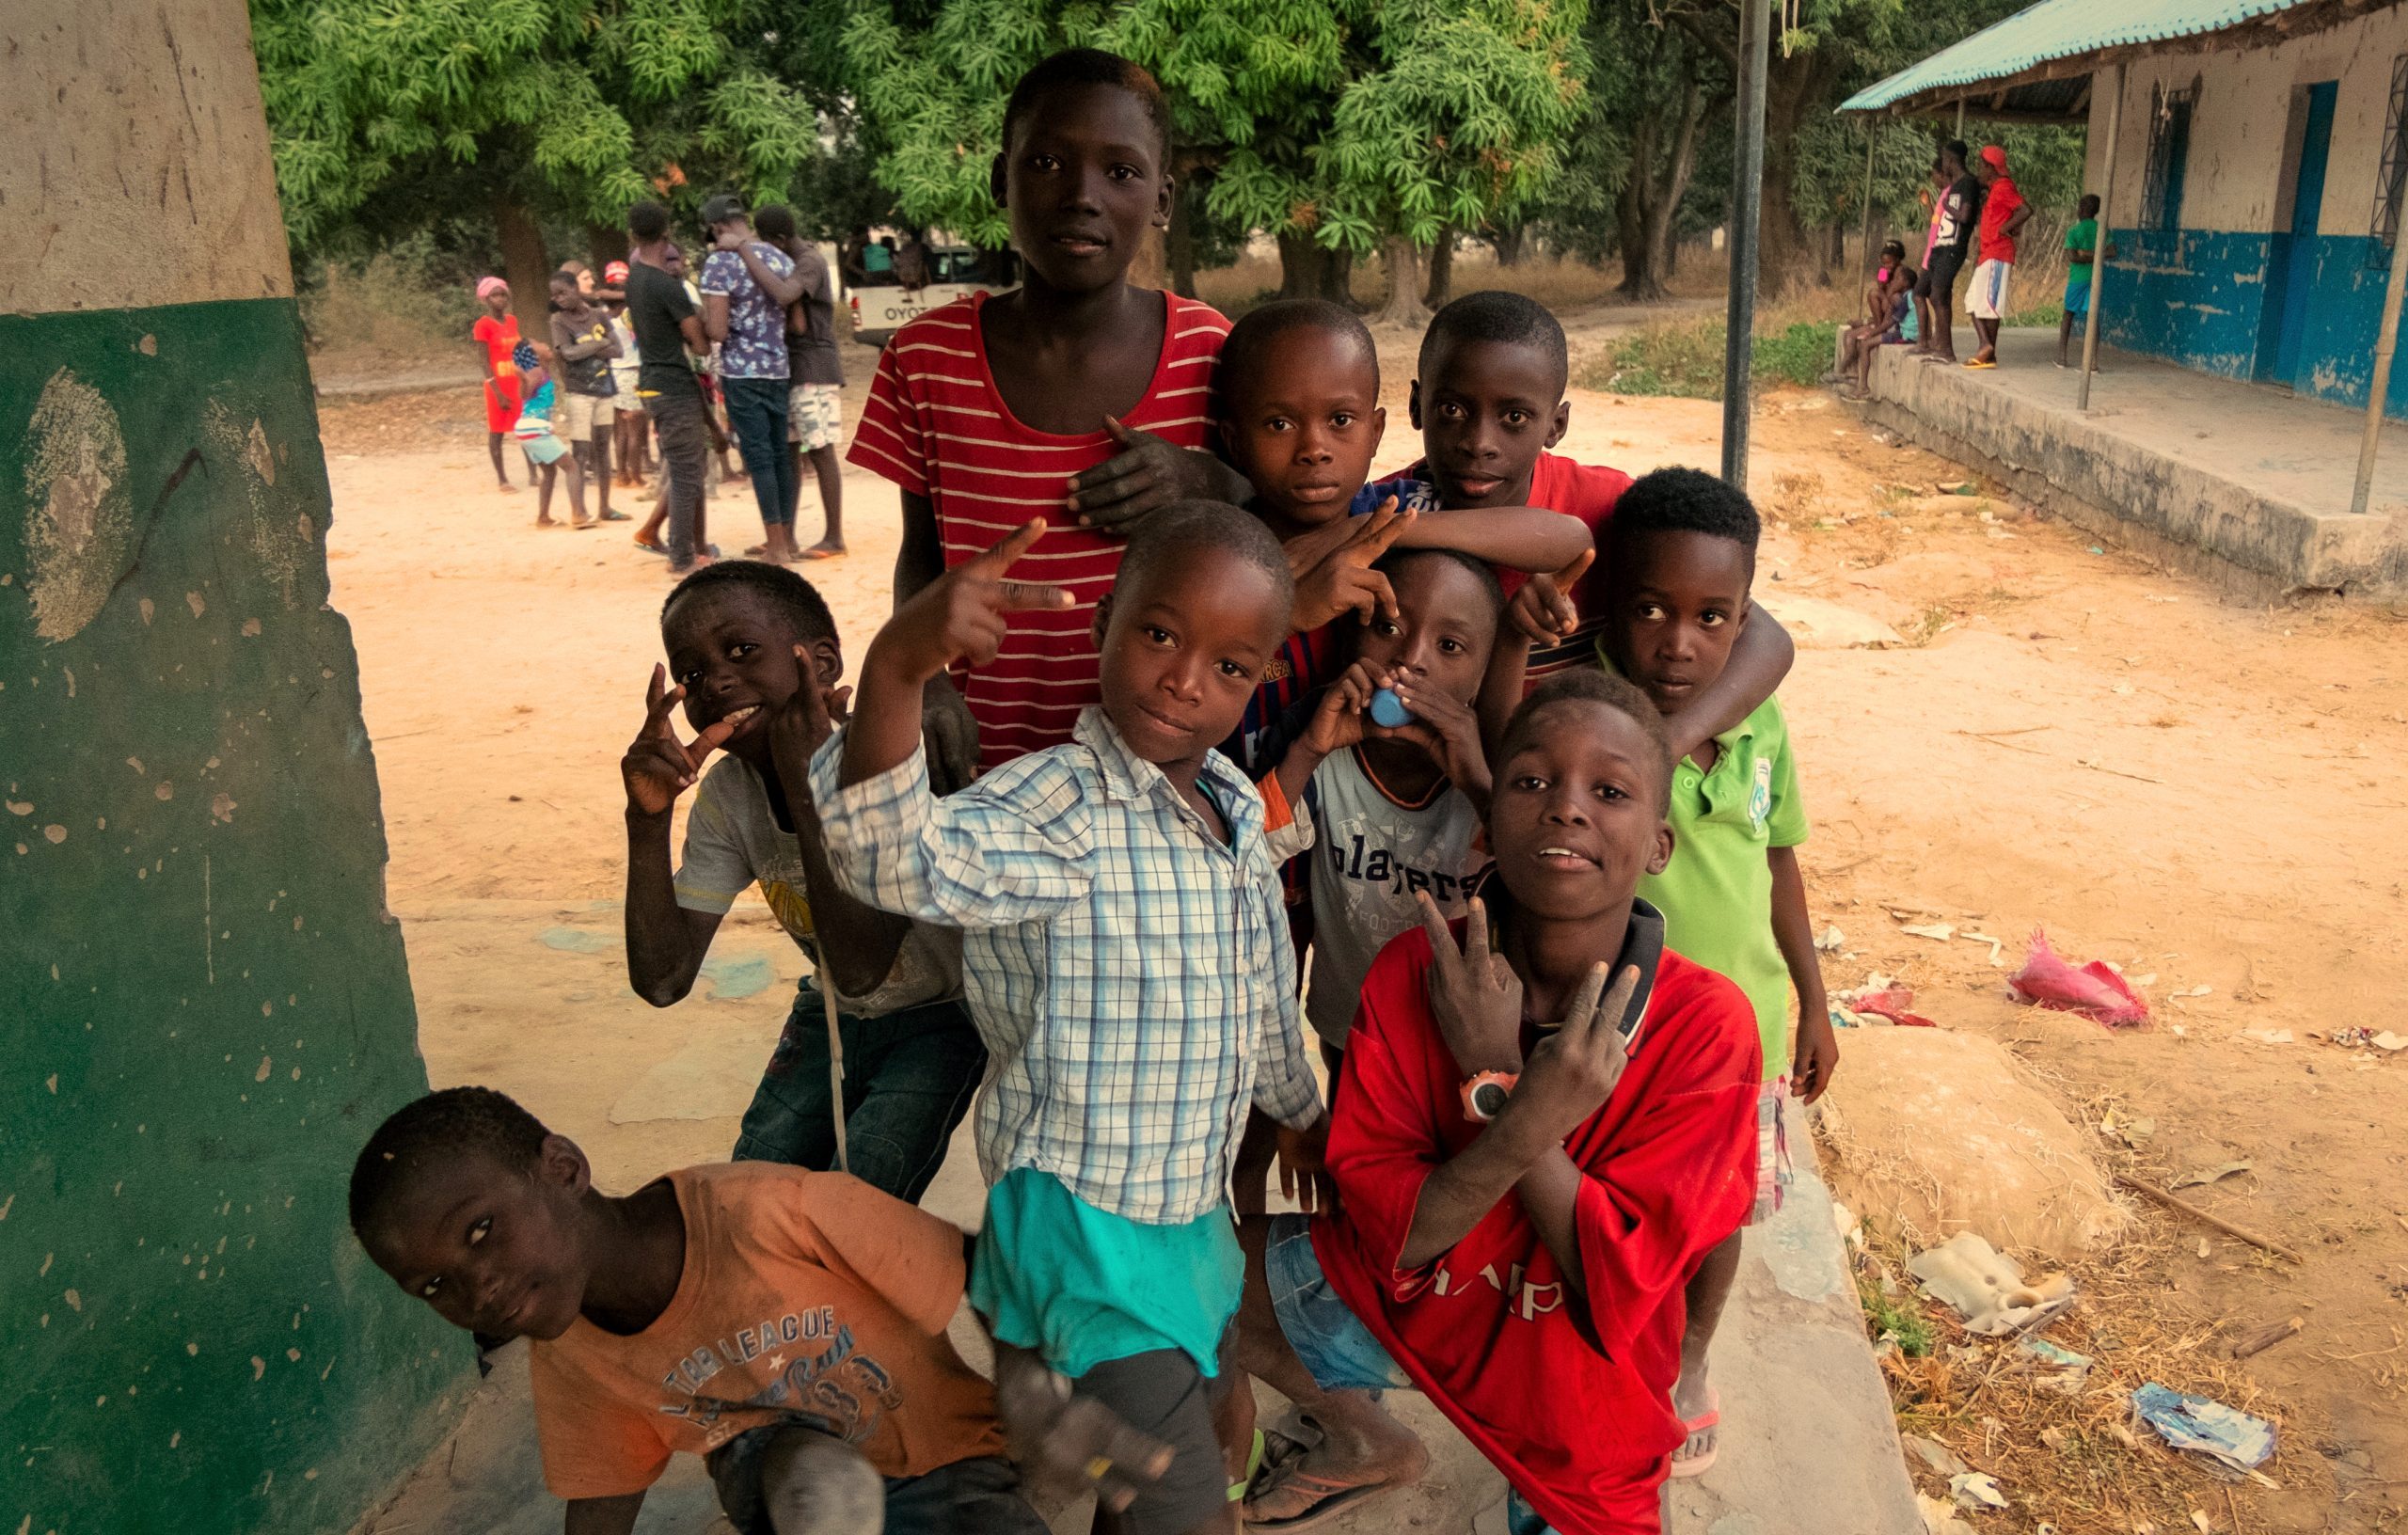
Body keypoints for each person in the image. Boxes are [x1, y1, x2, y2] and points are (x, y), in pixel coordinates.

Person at [810, 504, 1332, 1535]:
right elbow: (890, 860)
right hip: (1080, 1214)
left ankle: (1044, 1390)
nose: (1186, 680)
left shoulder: (1229, 802)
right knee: (1178, 1494)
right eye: (1159, 635)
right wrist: (897, 667)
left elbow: (1261, 983)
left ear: (1261, 678)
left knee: (1186, 1421)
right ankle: (1034, 1374)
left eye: (1230, 666)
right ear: (1104, 624)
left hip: (1183, 1212)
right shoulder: (1058, 808)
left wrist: (1298, 1107)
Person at [1231, 671, 1762, 1535]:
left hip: (1582, 1397)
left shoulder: (1706, 1026)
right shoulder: (1416, 970)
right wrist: (1511, 1092)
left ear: (1659, 844)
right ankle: (1365, 1442)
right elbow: (1394, 1238)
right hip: (1412, 1311)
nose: (1567, 808)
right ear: (1486, 822)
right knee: (1177, 1283)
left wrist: (1492, 1075)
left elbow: (1607, 1291)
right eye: (1532, 782)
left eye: (1612, 790)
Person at [346, 1086, 1119, 1535]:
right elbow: (602, 1495)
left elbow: (978, 1264)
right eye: (434, 1288)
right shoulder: (573, 1356)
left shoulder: (773, 1211)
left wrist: (1027, 1378)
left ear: (564, 1169)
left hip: (949, 1457)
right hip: (786, 1497)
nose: (476, 1291)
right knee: (791, 1462)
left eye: (482, 1232)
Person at [848, 48, 1253, 787]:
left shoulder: (1213, 353)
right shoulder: (925, 358)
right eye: (1046, 164)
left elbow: (1268, 523)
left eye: (1121, 172)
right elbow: (922, 552)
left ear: (1162, 200)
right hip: (983, 768)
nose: (1082, 196)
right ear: (1002, 179)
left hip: (1154, 774)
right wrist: (929, 680)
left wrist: (1200, 479)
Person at [1590, 468, 1834, 1480]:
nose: (1678, 642)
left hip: (1744, 1041)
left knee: (1719, 1214)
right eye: (1650, 609)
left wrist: (1814, 1003)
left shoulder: (1757, 722)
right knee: (1614, 1206)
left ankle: (1690, 1365)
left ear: (1744, 618)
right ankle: (1602, 1353)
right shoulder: (1587, 717)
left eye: (1710, 617)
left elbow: (1779, 864)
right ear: (1609, 601)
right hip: (1622, 1034)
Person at [620, 561, 985, 1204]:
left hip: (943, 1019)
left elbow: (861, 966)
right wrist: (646, 823)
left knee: (857, 1205)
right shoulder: (729, 797)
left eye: (741, 650)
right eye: (691, 674)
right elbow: (663, 980)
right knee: (749, 1198)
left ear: (821, 664)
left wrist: (808, 783)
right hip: (832, 1015)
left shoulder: (885, 763)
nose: (716, 682)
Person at [1358, 292, 1795, 762]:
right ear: (1417, 406)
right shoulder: (1375, 511)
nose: (1479, 443)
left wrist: (1669, 743)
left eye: (1515, 418)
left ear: (1556, 423)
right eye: (1453, 411)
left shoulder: (1604, 506)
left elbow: (1766, 639)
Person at [1213, 297, 1591, 776]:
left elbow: (1568, 540)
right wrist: (1289, 613)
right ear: (1233, 441)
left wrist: (1363, 534)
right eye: (1280, 424)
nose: (1314, 450)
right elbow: (1192, 673)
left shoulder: (1395, 510)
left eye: (1341, 421)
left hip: (1392, 809)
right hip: (1253, 804)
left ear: (1375, 432)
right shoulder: (1220, 552)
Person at [1259, 547, 1503, 1074]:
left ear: (1482, 679)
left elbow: (1533, 879)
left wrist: (1480, 786)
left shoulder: (1500, 771)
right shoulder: (1323, 752)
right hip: (1352, 1031)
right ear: (1351, 642)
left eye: (1449, 646)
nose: (1411, 659)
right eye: (1388, 628)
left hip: (1462, 1045)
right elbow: (1246, 853)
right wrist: (1307, 751)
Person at [699, 194, 803, 563]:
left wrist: (697, 319)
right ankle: (788, 539)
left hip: (741, 372)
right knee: (780, 455)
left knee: (758, 458)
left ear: (716, 228)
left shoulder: (719, 264)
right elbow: (794, 318)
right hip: (778, 367)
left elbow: (718, 330)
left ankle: (775, 545)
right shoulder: (778, 257)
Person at [754, 206, 850, 561]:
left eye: (765, 244)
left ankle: (834, 537)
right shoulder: (795, 260)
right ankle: (786, 535)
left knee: (821, 449)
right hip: (794, 367)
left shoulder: (808, 262)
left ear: (778, 239)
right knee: (790, 452)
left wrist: (748, 255)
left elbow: (784, 296)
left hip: (815, 367)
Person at [625, 202, 713, 575]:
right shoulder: (668, 286)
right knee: (686, 473)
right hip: (674, 385)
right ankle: (682, 557)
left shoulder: (634, 280)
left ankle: (688, 550)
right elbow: (700, 344)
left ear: (632, 235)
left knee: (681, 469)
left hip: (652, 384)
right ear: (667, 232)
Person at [548, 269, 626, 523]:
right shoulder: (558, 321)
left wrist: (588, 349)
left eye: (563, 292)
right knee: (580, 451)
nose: (559, 298)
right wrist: (599, 344)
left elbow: (619, 350)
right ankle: (578, 511)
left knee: (603, 449)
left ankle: (605, 507)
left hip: (604, 389)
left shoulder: (598, 315)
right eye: (555, 294)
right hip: (579, 391)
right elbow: (568, 354)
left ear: (576, 289)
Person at [511, 340, 594, 530]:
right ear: (533, 354)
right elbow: (525, 394)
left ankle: (543, 517)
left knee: (549, 472)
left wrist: (523, 378)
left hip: (527, 428)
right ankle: (579, 514)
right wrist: (523, 379)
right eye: (537, 344)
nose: (544, 343)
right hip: (535, 427)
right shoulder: (537, 372)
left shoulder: (541, 370)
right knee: (572, 467)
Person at [1964, 145, 2028, 370]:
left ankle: (1986, 348)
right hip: (1990, 252)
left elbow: (2025, 210)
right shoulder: (1997, 189)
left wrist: (2005, 229)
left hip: (1997, 252)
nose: (1979, 170)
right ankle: (1988, 350)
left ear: (1991, 168)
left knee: (1987, 305)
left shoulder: (2003, 187)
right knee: (1974, 301)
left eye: (1981, 166)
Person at [1922, 140, 1983, 366]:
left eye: (1945, 159)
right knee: (1937, 294)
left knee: (1938, 295)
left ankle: (1946, 350)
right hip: (1941, 245)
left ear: (1951, 160)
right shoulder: (1956, 184)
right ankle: (1941, 346)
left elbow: (1965, 216)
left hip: (1953, 247)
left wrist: (1947, 207)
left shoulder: (1967, 183)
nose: (1943, 164)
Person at [472, 277, 529, 494]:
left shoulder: (512, 321)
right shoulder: (483, 325)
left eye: (503, 294)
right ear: (486, 298)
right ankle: (502, 479)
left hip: (517, 383)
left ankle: (533, 473)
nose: (500, 299)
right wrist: (497, 391)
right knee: (497, 432)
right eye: (495, 295)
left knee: (525, 429)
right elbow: (484, 361)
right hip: (498, 386)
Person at [602, 260, 653, 489]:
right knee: (636, 429)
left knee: (620, 431)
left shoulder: (602, 315)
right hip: (632, 374)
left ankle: (621, 474)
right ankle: (636, 475)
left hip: (612, 373)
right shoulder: (631, 314)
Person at [1909, 157, 1947, 357]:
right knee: (1934, 298)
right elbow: (1936, 222)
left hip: (1936, 254)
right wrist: (1929, 206)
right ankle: (1935, 339)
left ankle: (1924, 340)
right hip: (1932, 253)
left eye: (1934, 176)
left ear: (1942, 174)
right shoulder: (1943, 195)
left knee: (1920, 294)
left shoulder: (1949, 195)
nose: (1933, 181)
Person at [2059, 193, 2101, 369]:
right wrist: (2095, 256)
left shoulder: (2074, 231)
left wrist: (2085, 255)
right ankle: (2092, 361)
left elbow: (2073, 257)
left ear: (2082, 210)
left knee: (2068, 314)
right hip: (2095, 278)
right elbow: (2112, 252)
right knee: (2092, 317)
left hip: (2077, 279)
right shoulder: (2101, 229)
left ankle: (2061, 356)